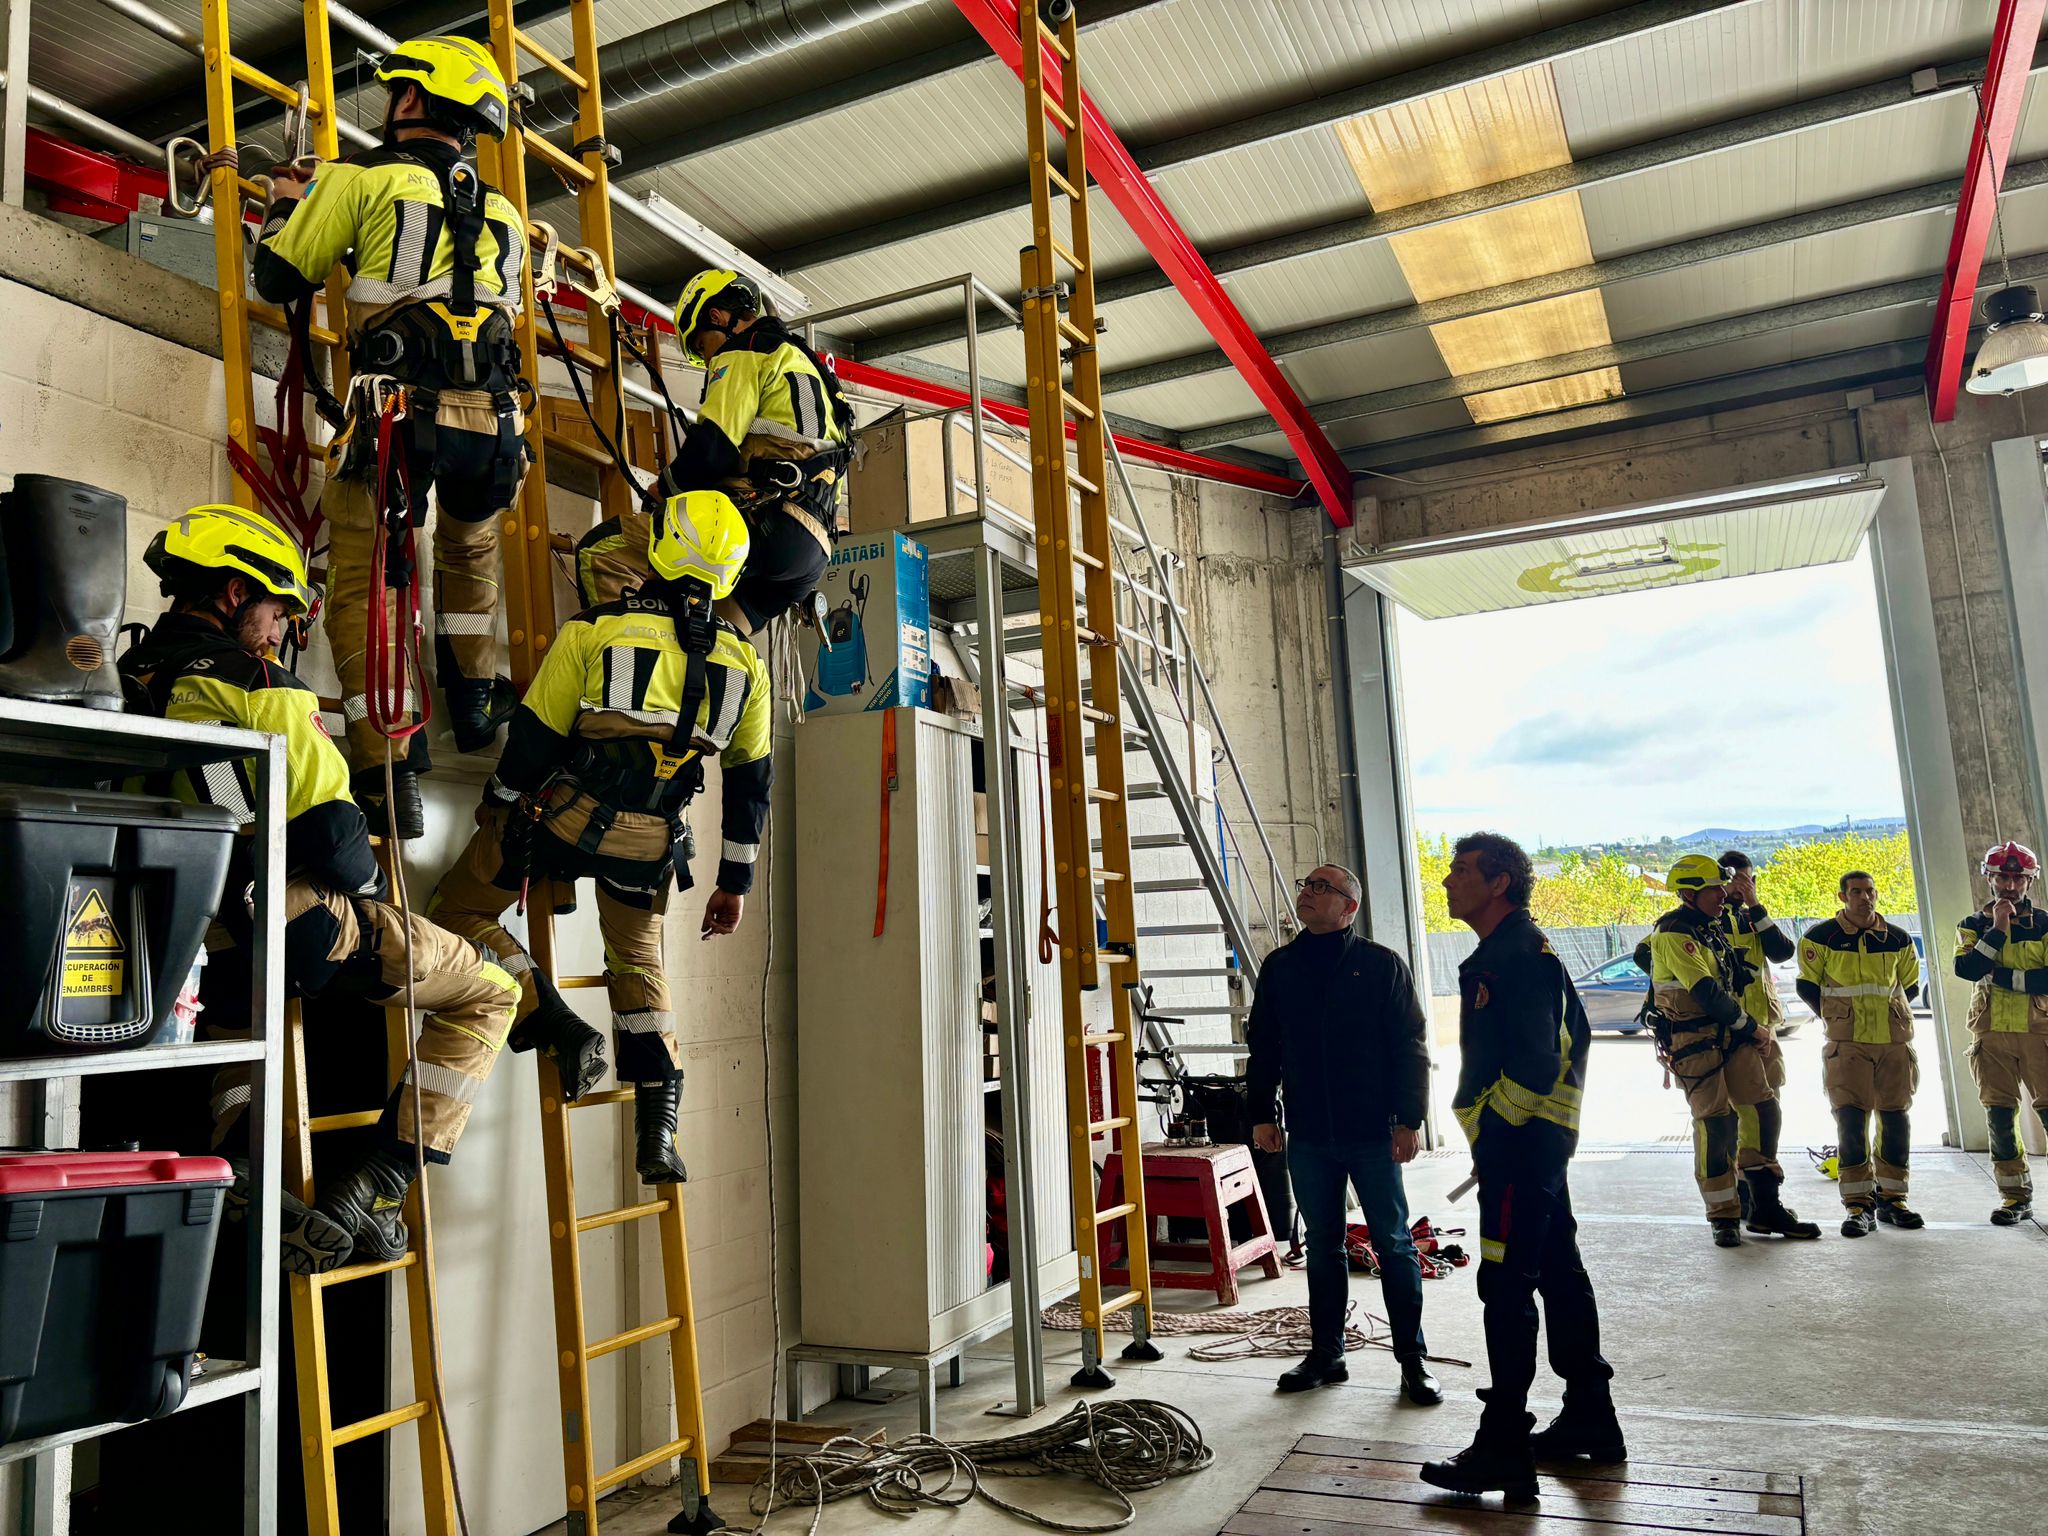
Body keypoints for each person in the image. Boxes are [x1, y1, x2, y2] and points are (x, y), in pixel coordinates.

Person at [119, 505, 520, 1271]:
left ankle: (238, 1158)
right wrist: (372, 890)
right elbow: (336, 838)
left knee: (239, 1013)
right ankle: (380, 1180)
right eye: (275, 611)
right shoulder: (256, 681)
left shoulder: (129, 678)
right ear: (236, 594)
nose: (277, 631)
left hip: (182, 935)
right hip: (295, 922)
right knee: (491, 991)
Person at [428, 491, 772, 1183]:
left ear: (660, 550)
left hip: (560, 823)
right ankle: (659, 1131)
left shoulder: (595, 631)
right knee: (640, 967)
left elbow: (531, 742)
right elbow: (749, 787)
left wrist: (496, 802)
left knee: (454, 914)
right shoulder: (747, 668)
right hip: (649, 848)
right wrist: (733, 884)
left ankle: (549, 1017)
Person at [253, 34, 530, 838]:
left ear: (413, 101)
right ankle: (475, 700)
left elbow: (277, 277)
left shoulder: (360, 180)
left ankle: (392, 765)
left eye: (397, 89)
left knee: (369, 585)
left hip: (395, 420)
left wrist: (284, 199)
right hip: (495, 427)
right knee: (469, 559)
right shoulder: (509, 211)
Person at [1421, 833, 1619, 1499]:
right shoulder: (1512, 950)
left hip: (1521, 1148)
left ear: (1499, 882)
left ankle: (1504, 1443)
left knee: (1505, 1288)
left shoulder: (1517, 956)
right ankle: (1591, 1416)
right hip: (1534, 1147)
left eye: (1460, 870)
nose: (1448, 880)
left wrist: (1494, 1131)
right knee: (1558, 1271)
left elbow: (1537, 1061)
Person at [1245, 864, 1439, 1406]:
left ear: (1350, 906)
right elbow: (1264, 1048)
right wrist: (1261, 1113)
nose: (1307, 893)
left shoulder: (1380, 966)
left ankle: (1412, 1361)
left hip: (1372, 1132)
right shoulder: (1281, 967)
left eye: (1322, 888)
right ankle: (1326, 1354)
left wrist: (1409, 1119)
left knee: (1395, 1244)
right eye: (1307, 884)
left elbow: (1410, 1046)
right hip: (1308, 1134)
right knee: (1322, 1246)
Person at [573, 270, 854, 627]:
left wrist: (663, 489)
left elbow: (713, 447)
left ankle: (621, 665)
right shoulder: (812, 371)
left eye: (703, 347)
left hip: (762, 526)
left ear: (717, 318)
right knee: (713, 640)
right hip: (810, 556)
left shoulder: (745, 350)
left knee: (601, 549)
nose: (708, 361)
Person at [1638, 855, 1809, 1247]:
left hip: (1732, 1036)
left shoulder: (1710, 926)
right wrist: (1752, 1029)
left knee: (1764, 1107)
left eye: (1722, 886)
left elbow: (1777, 952)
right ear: (1687, 894)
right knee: (1717, 1124)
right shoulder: (1673, 932)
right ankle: (1723, 1215)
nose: (1723, 893)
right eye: (1714, 889)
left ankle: (1765, 1205)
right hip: (1696, 1041)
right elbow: (1705, 991)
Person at [1796, 871, 1923, 1237]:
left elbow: (1909, 986)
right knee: (1851, 1123)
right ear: (1842, 896)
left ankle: (1893, 1199)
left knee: (1895, 1119)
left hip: (1893, 1044)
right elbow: (1807, 985)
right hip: (1847, 1045)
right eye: (1856, 892)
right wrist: (1838, 1018)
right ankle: (1858, 1206)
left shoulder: (1897, 938)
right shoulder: (1821, 938)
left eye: (1870, 891)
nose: (1865, 898)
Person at [1715, 849, 1816, 1237]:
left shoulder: (1754, 917)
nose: (1742, 886)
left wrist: (1755, 905)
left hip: (1764, 1031)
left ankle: (1759, 1200)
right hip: (1726, 1033)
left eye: (1749, 879)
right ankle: (1742, 1198)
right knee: (1733, 1119)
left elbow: (1782, 951)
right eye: (1735, 880)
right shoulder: (1707, 920)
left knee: (1766, 1111)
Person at [1952, 841, 2048, 1225]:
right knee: (2000, 1117)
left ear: (2029, 880)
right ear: (1988, 878)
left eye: (2017, 878)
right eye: (2002, 876)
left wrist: (2003, 975)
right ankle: (2014, 1197)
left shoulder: (2045, 923)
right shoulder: (1971, 925)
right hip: (1991, 1035)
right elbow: (1969, 970)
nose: (2009, 885)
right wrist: (1998, 929)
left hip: (2039, 1032)